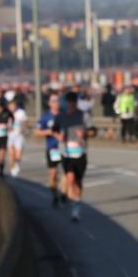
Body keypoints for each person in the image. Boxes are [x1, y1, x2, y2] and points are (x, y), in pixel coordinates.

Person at [53, 92, 96, 222]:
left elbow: (93, 131)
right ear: (66, 103)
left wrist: (85, 134)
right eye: (69, 102)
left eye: (73, 102)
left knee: (78, 181)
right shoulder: (61, 116)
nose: (71, 104)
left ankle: (76, 205)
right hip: (66, 153)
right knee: (70, 179)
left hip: (80, 153)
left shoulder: (84, 115)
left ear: (76, 103)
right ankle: (73, 207)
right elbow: (54, 130)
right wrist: (59, 136)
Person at [35, 93, 67, 208]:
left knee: (67, 172)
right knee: (53, 175)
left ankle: (63, 193)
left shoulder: (64, 115)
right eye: (53, 100)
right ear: (49, 103)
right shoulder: (46, 117)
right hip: (52, 148)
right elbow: (36, 132)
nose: (56, 102)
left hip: (64, 148)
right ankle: (55, 195)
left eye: (57, 100)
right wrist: (49, 132)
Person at [6, 99, 29, 177]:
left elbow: (26, 123)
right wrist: (7, 128)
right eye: (10, 106)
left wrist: (22, 128)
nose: (12, 108)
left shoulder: (21, 113)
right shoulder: (6, 113)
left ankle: (17, 165)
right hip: (10, 136)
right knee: (11, 154)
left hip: (19, 136)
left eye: (13, 106)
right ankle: (12, 170)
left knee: (18, 155)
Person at [0, 99, 13, 175]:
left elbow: (11, 121)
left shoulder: (7, 113)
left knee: (2, 154)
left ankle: (1, 171)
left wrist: (9, 126)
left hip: (3, 136)